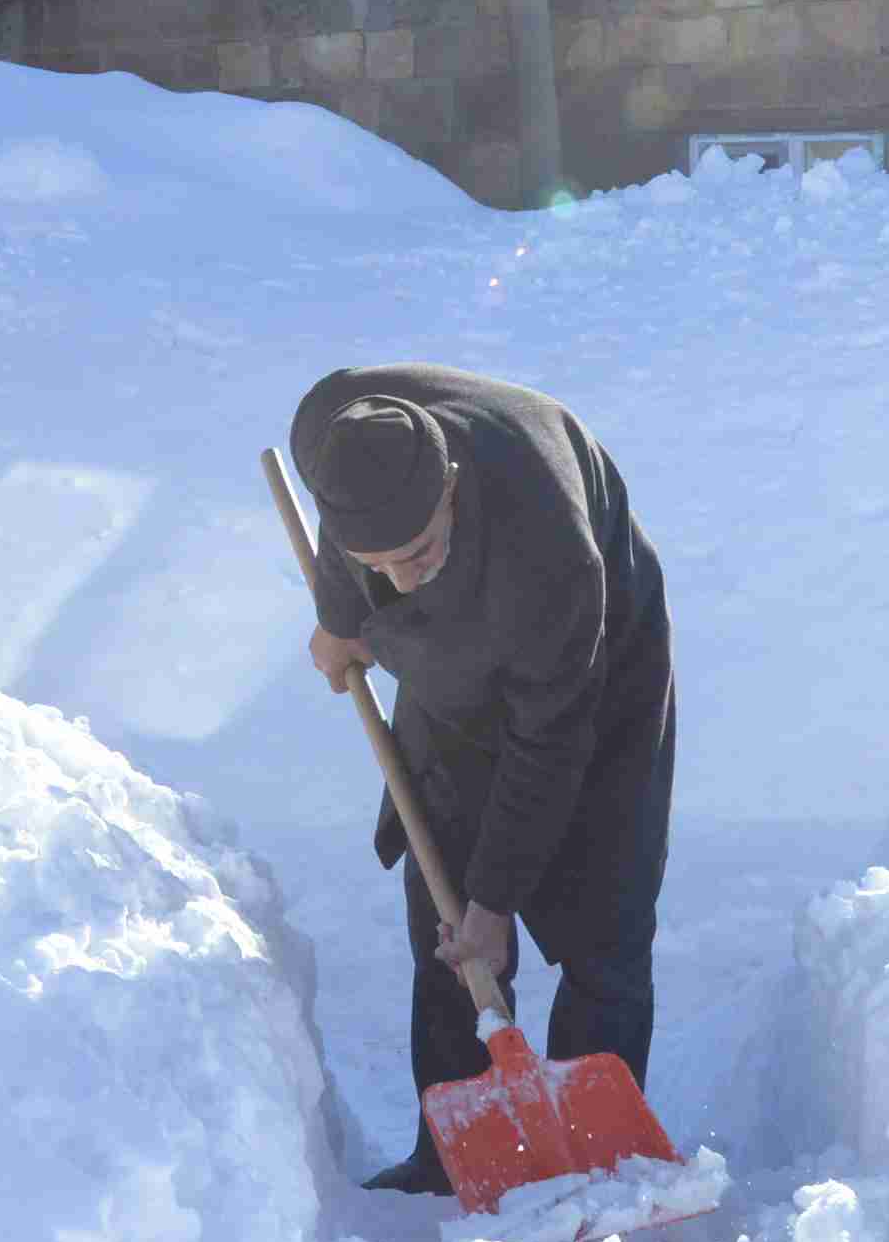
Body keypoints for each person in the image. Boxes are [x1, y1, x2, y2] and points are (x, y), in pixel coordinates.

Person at [289, 364, 674, 1196]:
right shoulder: (330, 429)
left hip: (594, 681)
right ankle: (448, 1161)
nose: (404, 578)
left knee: (602, 916)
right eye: (379, 562)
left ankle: (597, 1165)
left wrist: (498, 903)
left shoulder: (551, 556)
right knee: (447, 912)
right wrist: (340, 615)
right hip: (448, 671)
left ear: (451, 486)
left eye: (418, 551)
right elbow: (345, 533)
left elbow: (550, 740)